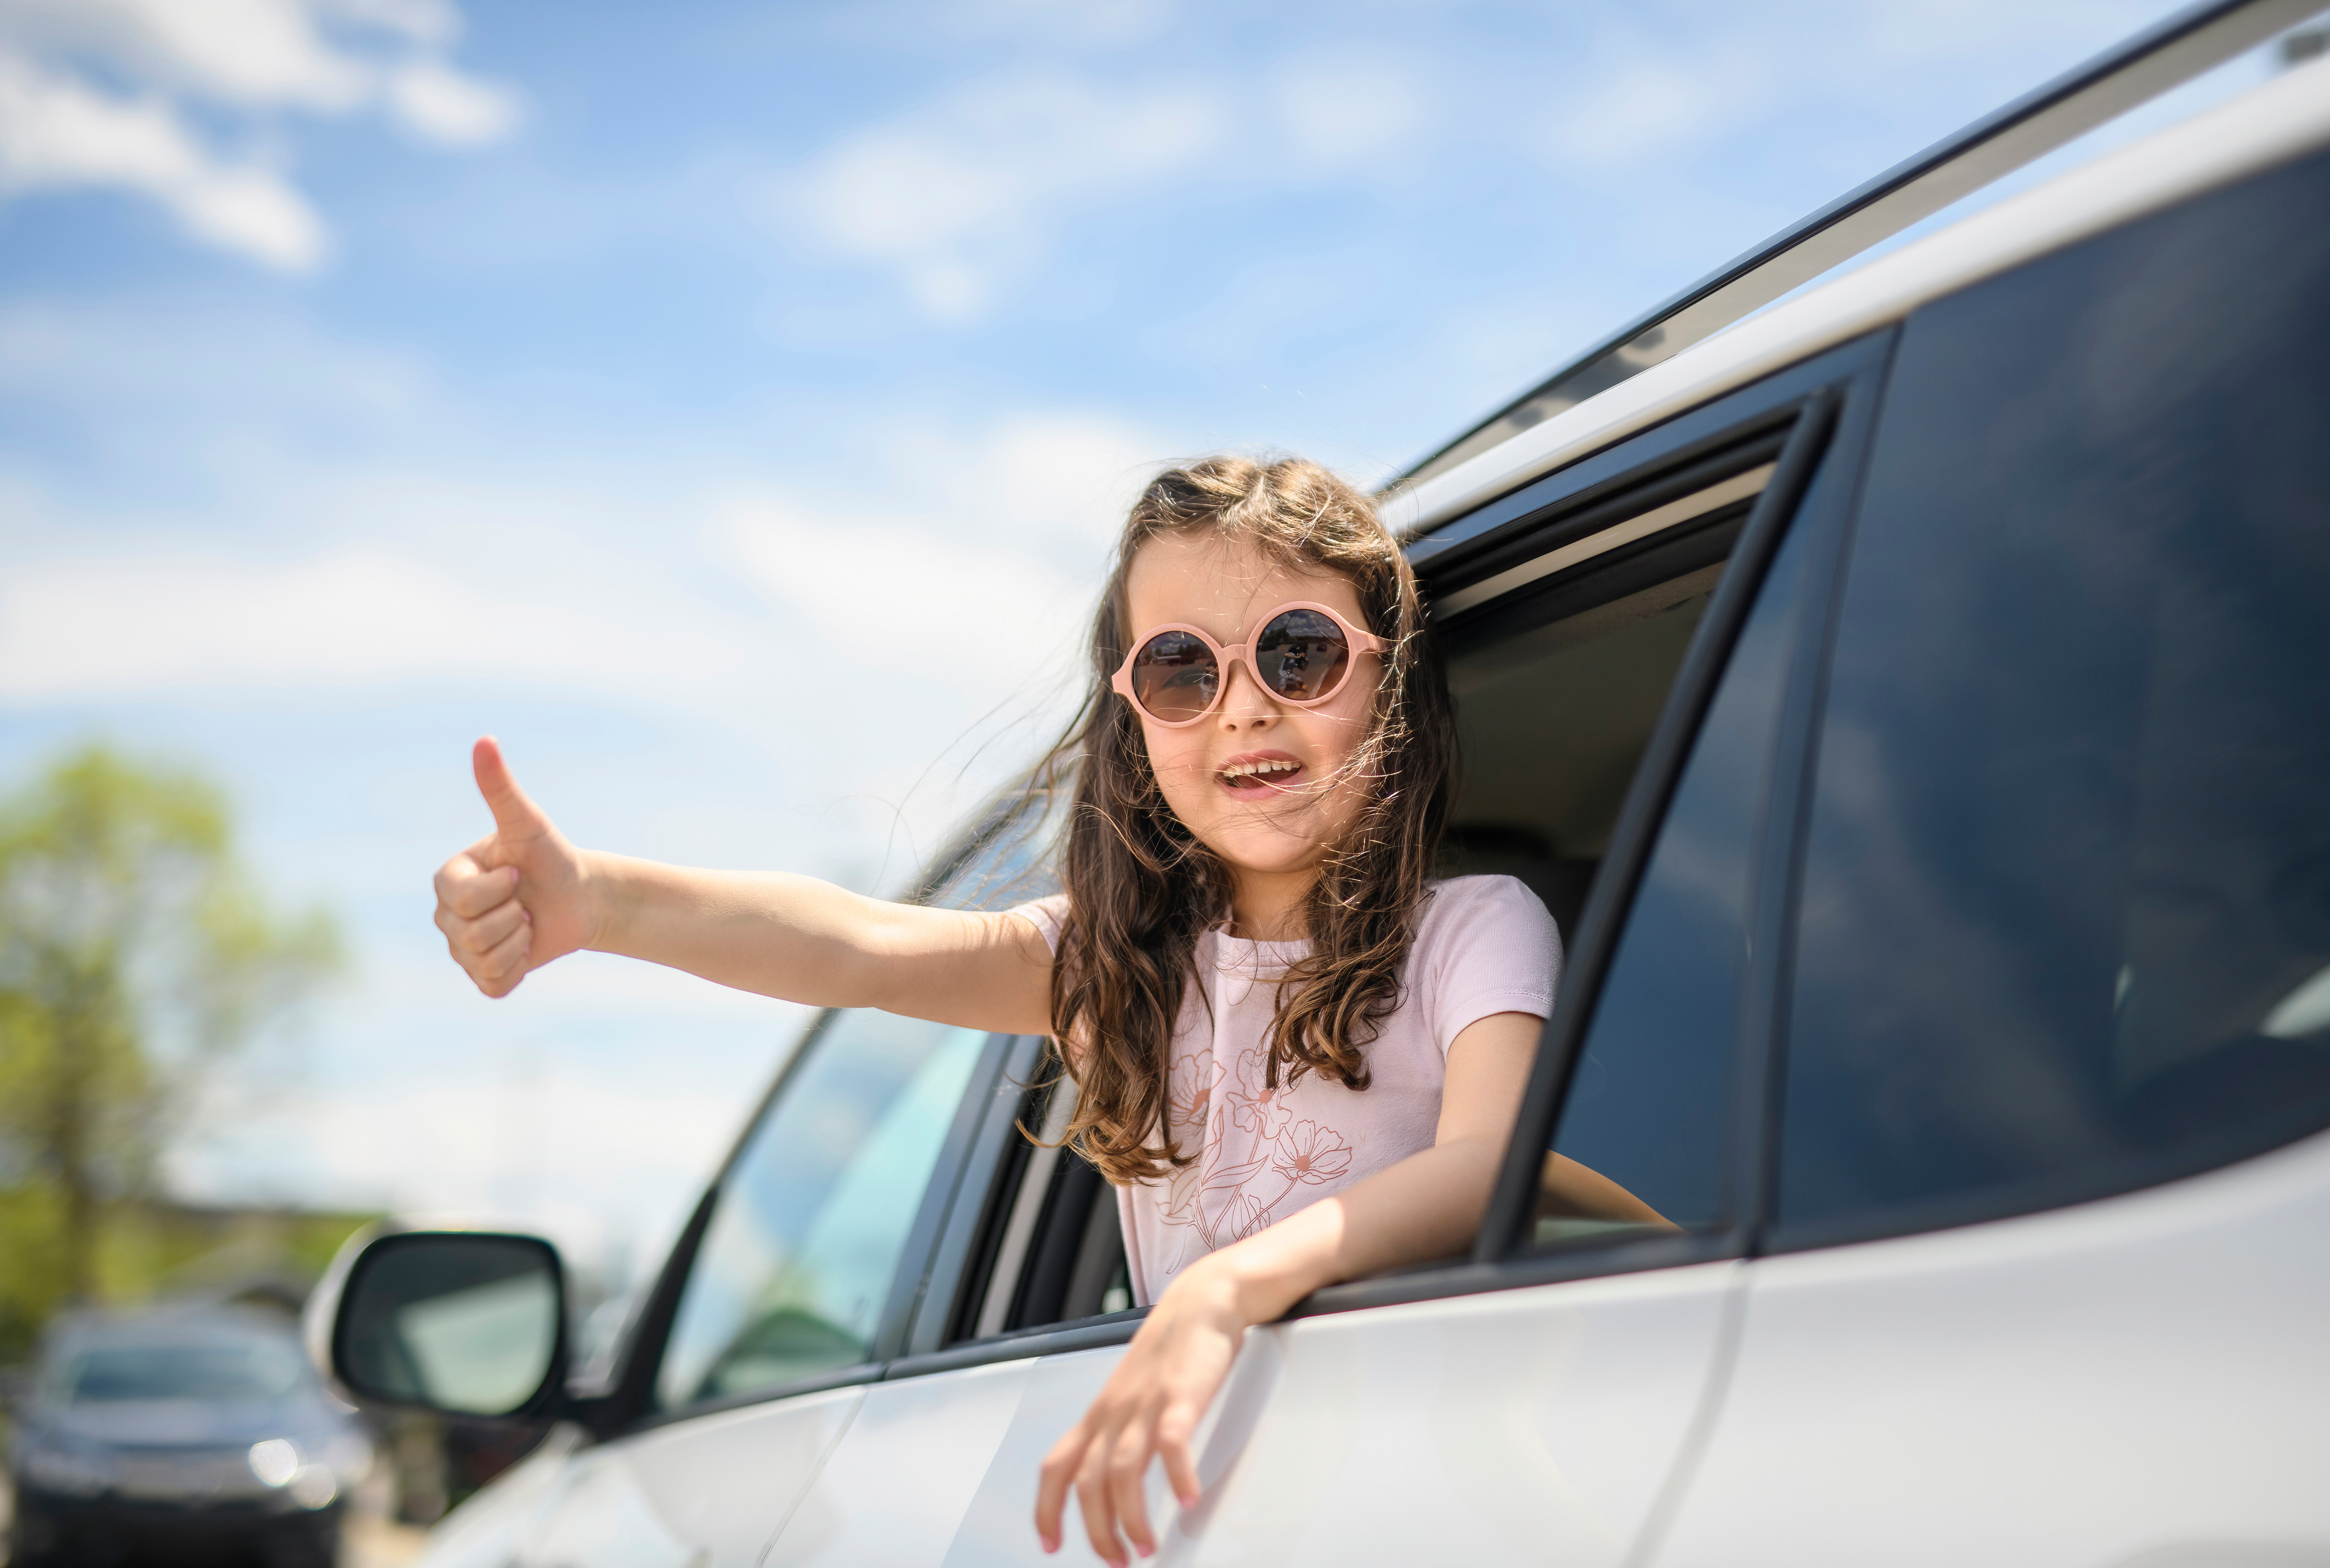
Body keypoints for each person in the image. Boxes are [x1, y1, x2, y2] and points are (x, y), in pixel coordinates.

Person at [431, 455, 1664, 1566]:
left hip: (1425, 1493)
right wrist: (599, 900)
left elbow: (1491, 1161)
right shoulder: (1113, 967)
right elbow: (862, 943)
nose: (1242, 705)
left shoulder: (1471, 929)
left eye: (1297, 651)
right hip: (1205, 1512)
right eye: (1182, 668)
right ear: (1134, 713)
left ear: (1385, 673)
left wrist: (1218, 1293)